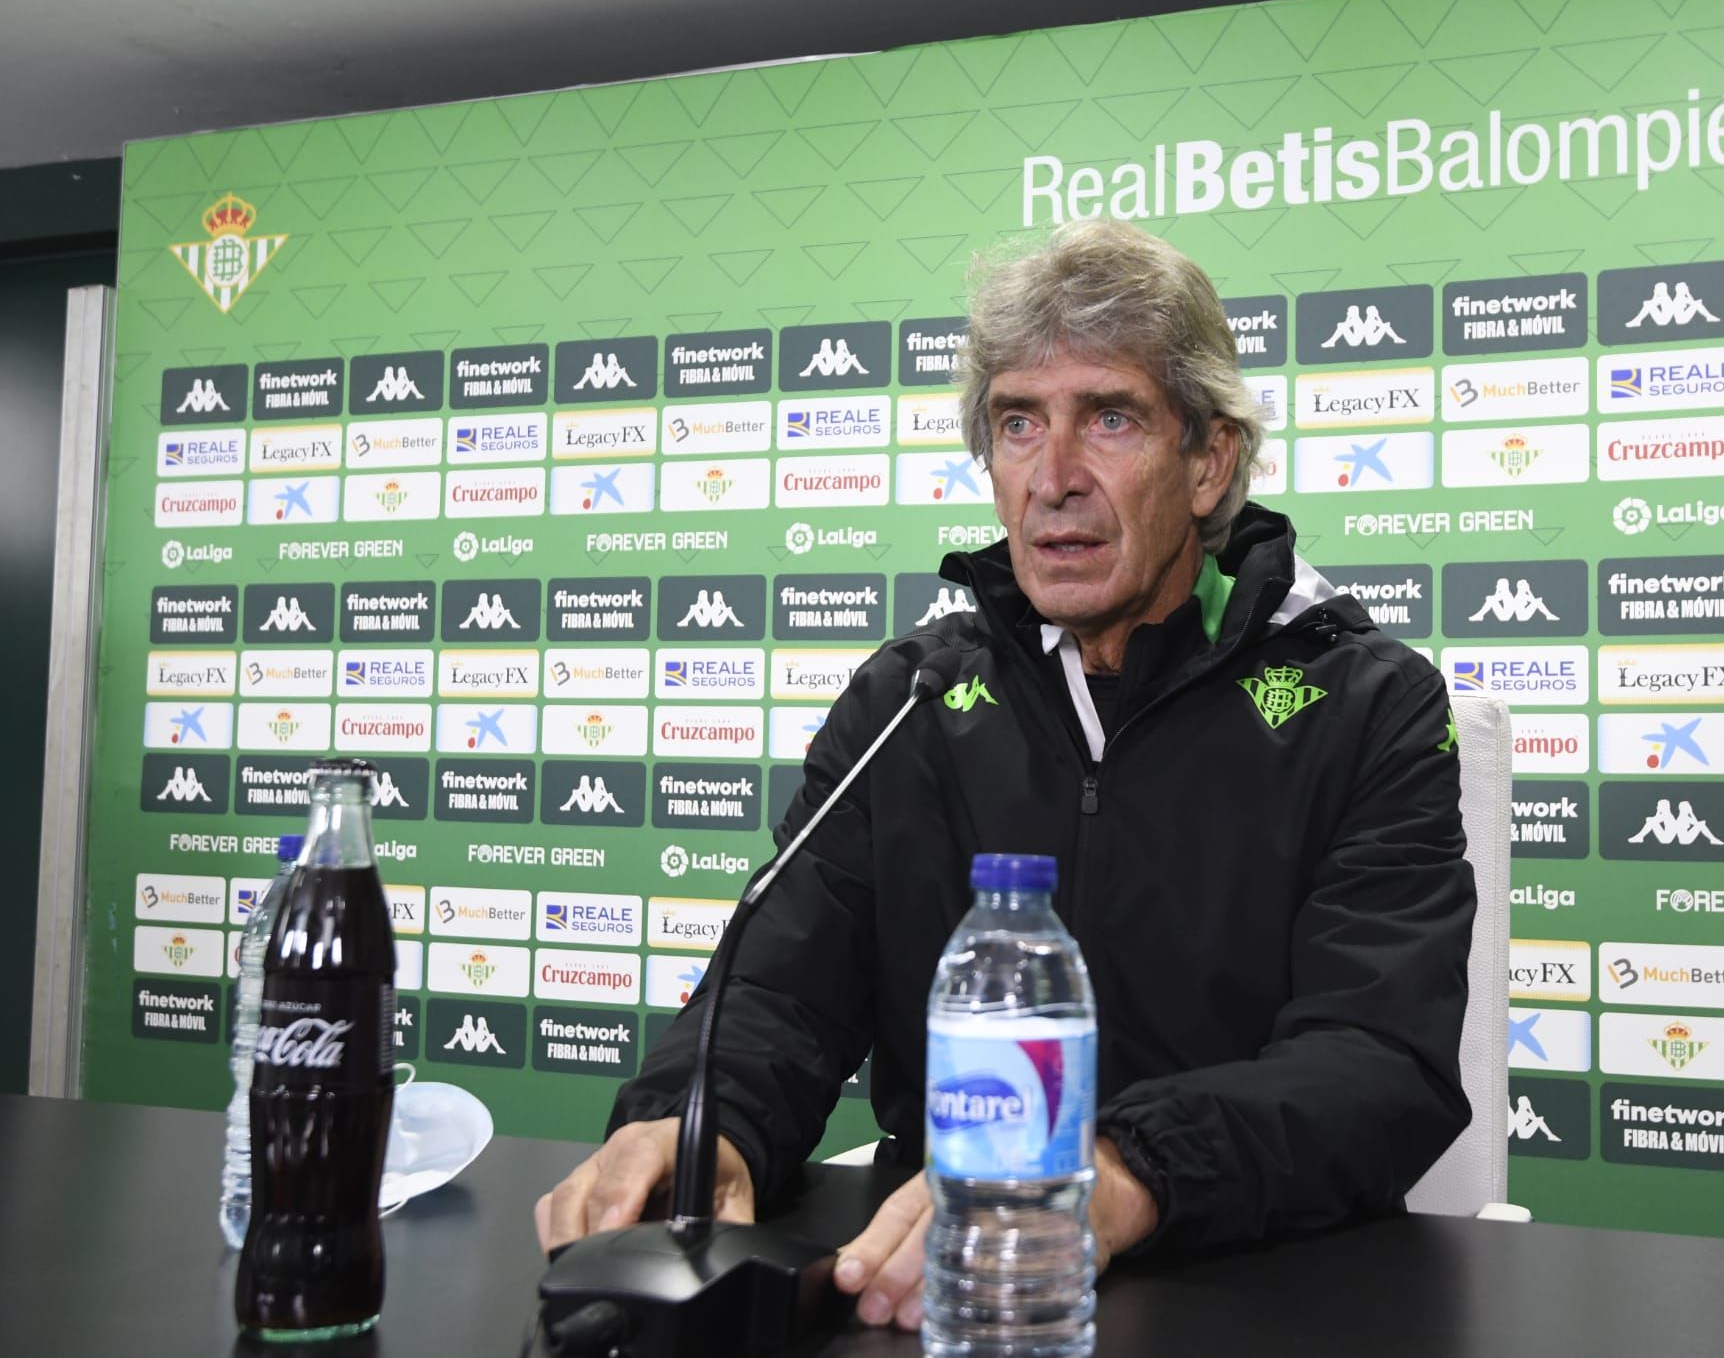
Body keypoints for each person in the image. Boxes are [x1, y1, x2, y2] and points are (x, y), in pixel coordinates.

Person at [536, 218, 1476, 1331]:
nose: (1052, 478)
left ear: (1208, 458)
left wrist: (1117, 1173)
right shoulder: (910, 701)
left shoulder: (1365, 703)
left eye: (1110, 418)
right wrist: (698, 1127)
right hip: (936, 1288)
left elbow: (1375, 1064)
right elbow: (785, 987)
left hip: (1251, 1284)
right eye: (1017, 424)